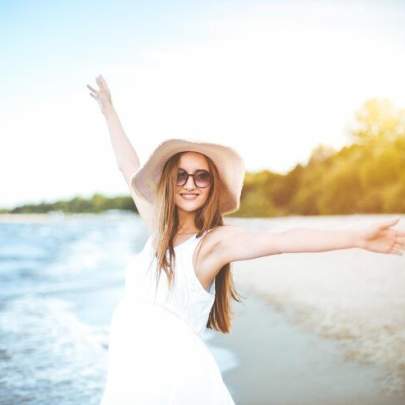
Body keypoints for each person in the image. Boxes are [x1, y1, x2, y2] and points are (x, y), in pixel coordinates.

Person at [87, 74, 405, 404]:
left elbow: (282, 239)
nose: (190, 183)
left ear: (212, 186)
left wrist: (357, 237)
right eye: (181, 174)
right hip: (132, 376)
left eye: (201, 176)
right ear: (169, 182)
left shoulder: (212, 243)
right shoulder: (158, 231)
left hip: (173, 380)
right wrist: (109, 111)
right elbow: (129, 168)